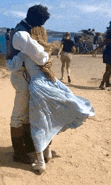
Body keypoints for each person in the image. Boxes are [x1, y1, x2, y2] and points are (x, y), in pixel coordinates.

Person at [7, 26, 95, 174]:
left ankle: (41, 162)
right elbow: (43, 61)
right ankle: (48, 151)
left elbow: (12, 66)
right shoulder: (44, 51)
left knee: (38, 123)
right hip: (51, 84)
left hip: (37, 88)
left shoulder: (23, 55)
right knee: (50, 118)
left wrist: (9, 53)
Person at [5, 4, 50, 164]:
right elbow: (41, 57)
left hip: (21, 75)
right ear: (38, 20)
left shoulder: (20, 29)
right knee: (18, 115)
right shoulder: (23, 35)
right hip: (21, 77)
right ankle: (18, 152)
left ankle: (27, 144)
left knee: (24, 115)